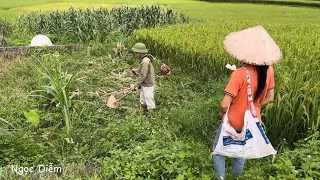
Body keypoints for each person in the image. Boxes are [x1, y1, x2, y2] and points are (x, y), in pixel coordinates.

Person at [212, 63, 275, 179]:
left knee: (218, 151)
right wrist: (253, 106)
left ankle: (221, 178)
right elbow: (270, 97)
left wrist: (222, 113)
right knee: (241, 151)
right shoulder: (269, 70)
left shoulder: (240, 73)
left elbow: (224, 105)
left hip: (233, 121)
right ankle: (237, 177)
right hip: (252, 122)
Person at [130, 42, 156, 115]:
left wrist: (134, 86)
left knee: (149, 100)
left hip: (148, 84)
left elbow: (142, 76)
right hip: (144, 84)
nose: (135, 54)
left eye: (136, 52)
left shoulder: (145, 62)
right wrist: (137, 70)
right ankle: (144, 114)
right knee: (143, 100)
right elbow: (142, 69)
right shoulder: (144, 59)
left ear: (140, 52)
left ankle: (152, 116)